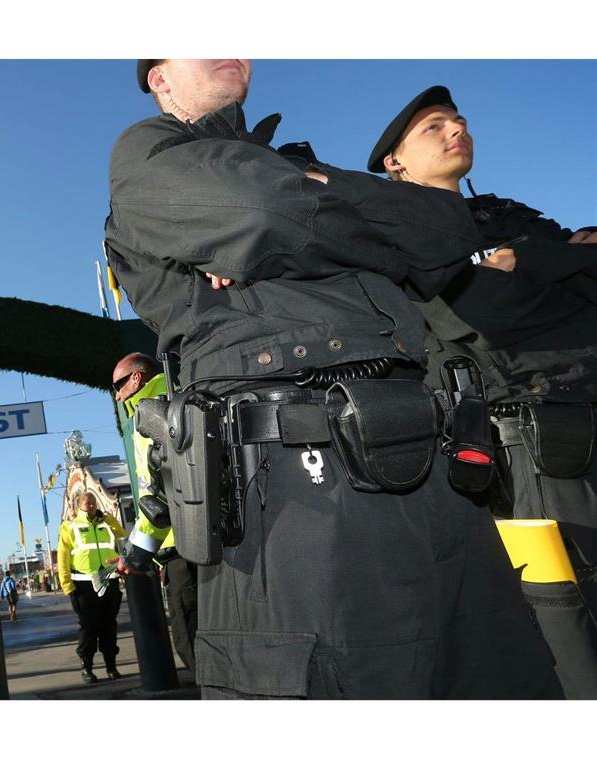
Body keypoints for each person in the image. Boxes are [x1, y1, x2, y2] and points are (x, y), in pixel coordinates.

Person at [103, 59, 561, 698]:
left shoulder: (289, 162)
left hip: (432, 469)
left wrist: (304, 199)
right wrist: (362, 225)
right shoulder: (146, 153)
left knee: (499, 679)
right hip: (299, 492)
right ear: (160, 78)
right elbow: (263, 210)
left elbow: (444, 230)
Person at [368, 85, 597, 587]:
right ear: (396, 162)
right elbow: (486, 315)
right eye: (435, 127)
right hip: (533, 449)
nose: (459, 129)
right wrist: (563, 272)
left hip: (585, 410)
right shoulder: (398, 236)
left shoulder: (504, 214)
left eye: (460, 120)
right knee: (566, 612)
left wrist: (529, 260)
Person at [112, 351, 198, 679]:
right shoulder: (181, 394)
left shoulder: (148, 415)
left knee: (190, 638)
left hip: (180, 548)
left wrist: (135, 556)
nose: (117, 394)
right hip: (205, 535)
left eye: (118, 385)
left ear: (136, 379)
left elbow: (156, 495)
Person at [57, 492, 126, 683]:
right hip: (83, 585)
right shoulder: (70, 527)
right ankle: (86, 668)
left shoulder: (106, 524)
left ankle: (111, 666)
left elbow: (122, 534)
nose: (92, 505)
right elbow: (62, 558)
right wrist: (67, 586)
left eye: (94, 502)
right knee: (89, 628)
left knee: (109, 625)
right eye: (87, 503)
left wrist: (109, 518)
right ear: (79, 505)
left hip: (108, 581)